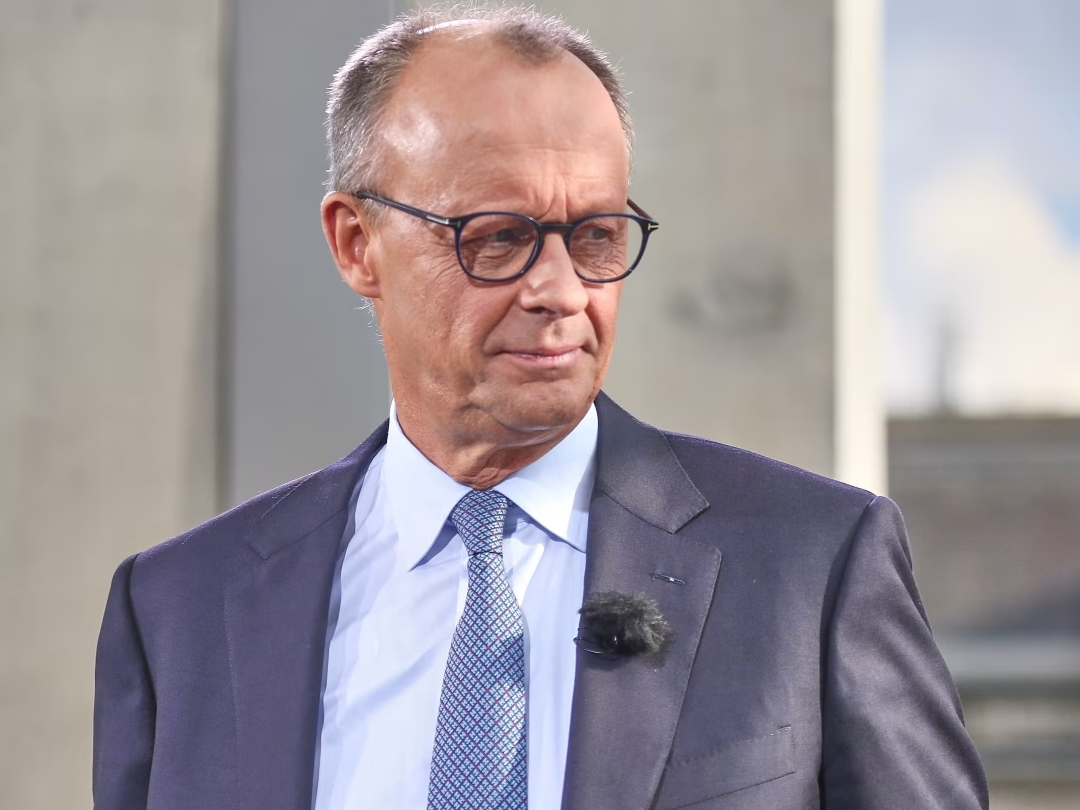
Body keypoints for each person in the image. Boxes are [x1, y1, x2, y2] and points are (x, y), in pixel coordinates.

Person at [93, 4, 989, 809]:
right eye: (499, 239)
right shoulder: (179, 611)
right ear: (357, 244)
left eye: (596, 236)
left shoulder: (812, 566)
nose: (561, 290)